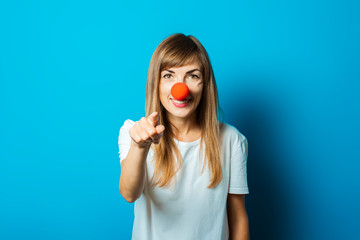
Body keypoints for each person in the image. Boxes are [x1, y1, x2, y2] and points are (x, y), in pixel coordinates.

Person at [118, 33, 250, 240]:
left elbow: (238, 217)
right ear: (157, 83)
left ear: (205, 84)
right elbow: (129, 193)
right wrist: (140, 147)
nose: (181, 88)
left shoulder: (231, 139)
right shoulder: (133, 132)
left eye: (193, 75)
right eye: (168, 75)